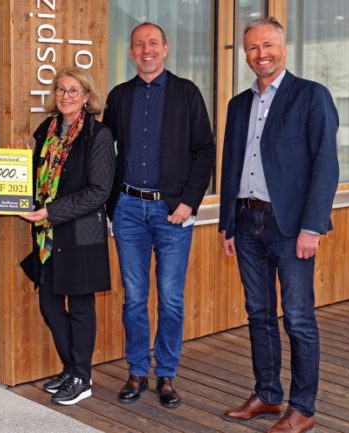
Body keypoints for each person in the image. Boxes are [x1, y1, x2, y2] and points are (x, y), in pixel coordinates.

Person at [219, 18, 339, 433]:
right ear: (246, 55)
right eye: (253, 47)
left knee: (298, 318)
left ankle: (302, 408)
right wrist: (226, 224)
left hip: (290, 227)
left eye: (268, 45)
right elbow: (230, 166)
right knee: (258, 313)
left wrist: (313, 227)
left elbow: (326, 166)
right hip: (245, 221)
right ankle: (268, 394)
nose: (261, 54)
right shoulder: (238, 105)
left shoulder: (311, 96)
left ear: (283, 49)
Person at [103, 22, 215, 408]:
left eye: (153, 43)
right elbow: (102, 150)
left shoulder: (186, 93)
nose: (146, 50)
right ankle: (137, 371)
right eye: (139, 44)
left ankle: (166, 374)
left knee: (170, 299)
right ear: (131, 52)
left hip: (173, 212)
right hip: (129, 210)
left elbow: (204, 150)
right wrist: (112, 204)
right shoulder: (119, 97)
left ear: (165, 49)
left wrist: (188, 202)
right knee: (134, 298)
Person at [20, 67, 115, 406]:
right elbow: (37, 177)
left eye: (74, 90)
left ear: (87, 97)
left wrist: (51, 211)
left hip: (79, 232)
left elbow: (99, 191)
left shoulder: (98, 135)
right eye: (61, 89)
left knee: (79, 307)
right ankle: (71, 368)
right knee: (49, 305)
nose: (66, 96)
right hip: (47, 235)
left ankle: (81, 378)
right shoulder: (47, 129)